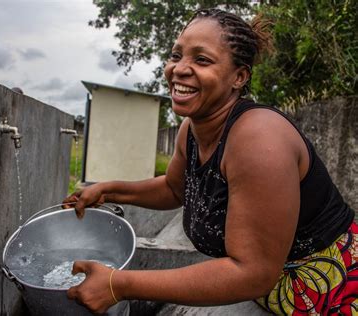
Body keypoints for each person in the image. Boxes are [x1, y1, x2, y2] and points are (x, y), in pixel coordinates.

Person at [63, 8, 357, 315]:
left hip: (331, 295)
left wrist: (118, 284)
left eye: (201, 60)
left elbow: (253, 273)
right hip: (272, 293)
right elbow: (174, 189)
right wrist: (107, 191)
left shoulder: (259, 139)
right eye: (176, 55)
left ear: (239, 77)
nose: (179, 69)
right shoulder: (191, 129)